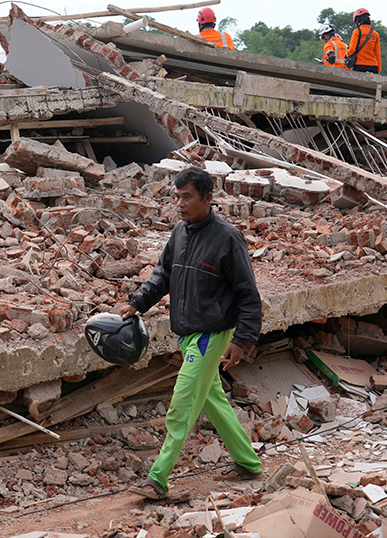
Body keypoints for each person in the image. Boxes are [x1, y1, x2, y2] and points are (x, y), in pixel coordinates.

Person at [122, 167, 262, 500]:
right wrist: (137, 303)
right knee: (212, 400)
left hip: (210, 335)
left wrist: (242, 340)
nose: (180, 204)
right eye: (177, 196)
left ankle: (157, 478)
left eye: (187, 197)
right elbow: (162, 275)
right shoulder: (180, 234)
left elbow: (248, 294)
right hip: (186, 335)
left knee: (182, 405)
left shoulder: (228, 238)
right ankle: (248, 462)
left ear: (208, 198)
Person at [346, 7, 381, 73]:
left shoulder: (357, 32)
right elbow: (377, 53)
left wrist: (346, 56)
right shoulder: (375, 34)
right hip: (373, 66)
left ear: (358, 20)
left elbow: (351, 50)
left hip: (359, 65)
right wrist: (379, 69)